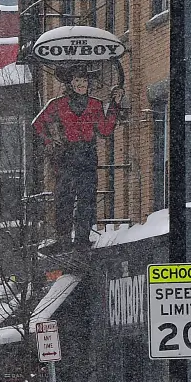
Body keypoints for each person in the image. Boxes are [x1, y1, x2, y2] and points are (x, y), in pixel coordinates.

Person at [32, 68, 121, 251]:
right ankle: (63, 239)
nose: (81, 85)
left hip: (87, 154)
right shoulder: (58, 104)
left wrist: (114, 106)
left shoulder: (95, 105)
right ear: (70, 84)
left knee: (86, 199)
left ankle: (82, 237)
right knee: (64, 198)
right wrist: (51, 141)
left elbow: (105, 130)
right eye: (77, 81)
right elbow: (38, 124)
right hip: (66, 155)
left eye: (84, 81)